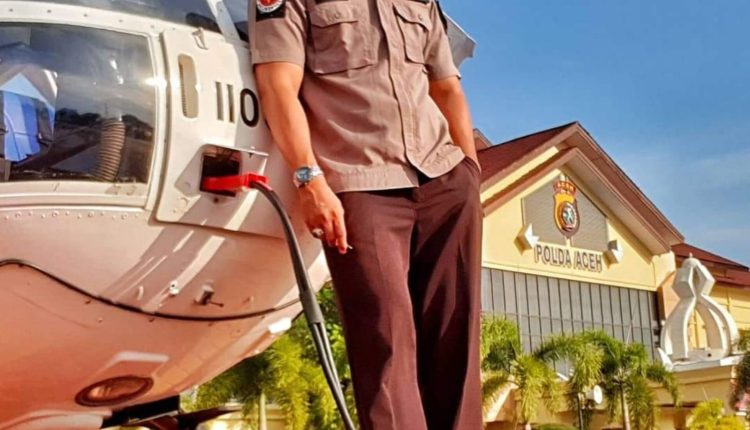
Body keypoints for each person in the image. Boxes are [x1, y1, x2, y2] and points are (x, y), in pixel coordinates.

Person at [250, 0, 482, 428]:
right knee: (384, 342)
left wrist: (470, 172)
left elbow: (446, 88)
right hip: (360, 184)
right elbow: (277, 85)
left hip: (444, 179)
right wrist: (309, 178)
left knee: (456, 340)